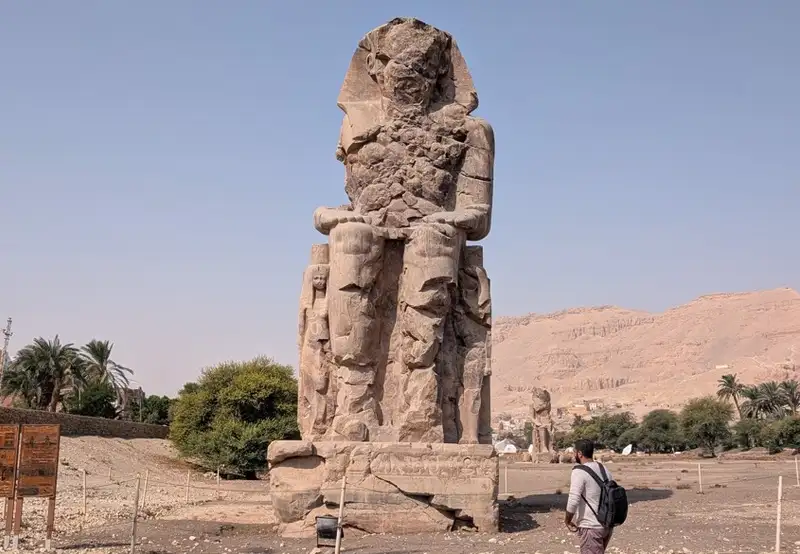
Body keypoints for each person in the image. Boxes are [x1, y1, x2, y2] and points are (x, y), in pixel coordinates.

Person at [565, 439, 614, 554]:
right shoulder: (603, 468)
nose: (573, 455)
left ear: (580, 454)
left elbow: (573, 499)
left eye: (574, 452)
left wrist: (567, 520)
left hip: (591, 526)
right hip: (607, 525)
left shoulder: (579, 472)